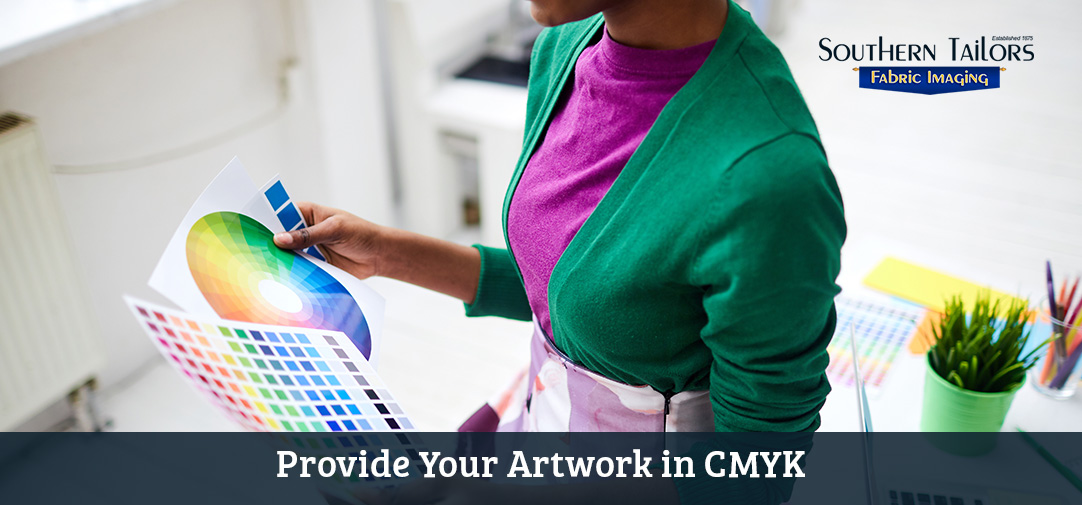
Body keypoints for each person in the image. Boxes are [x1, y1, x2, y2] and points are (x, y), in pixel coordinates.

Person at [275, 0, 845, 435]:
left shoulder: (767, 179)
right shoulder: (566, 48)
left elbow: (761, 459)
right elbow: (570, 294)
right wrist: (387, 252)